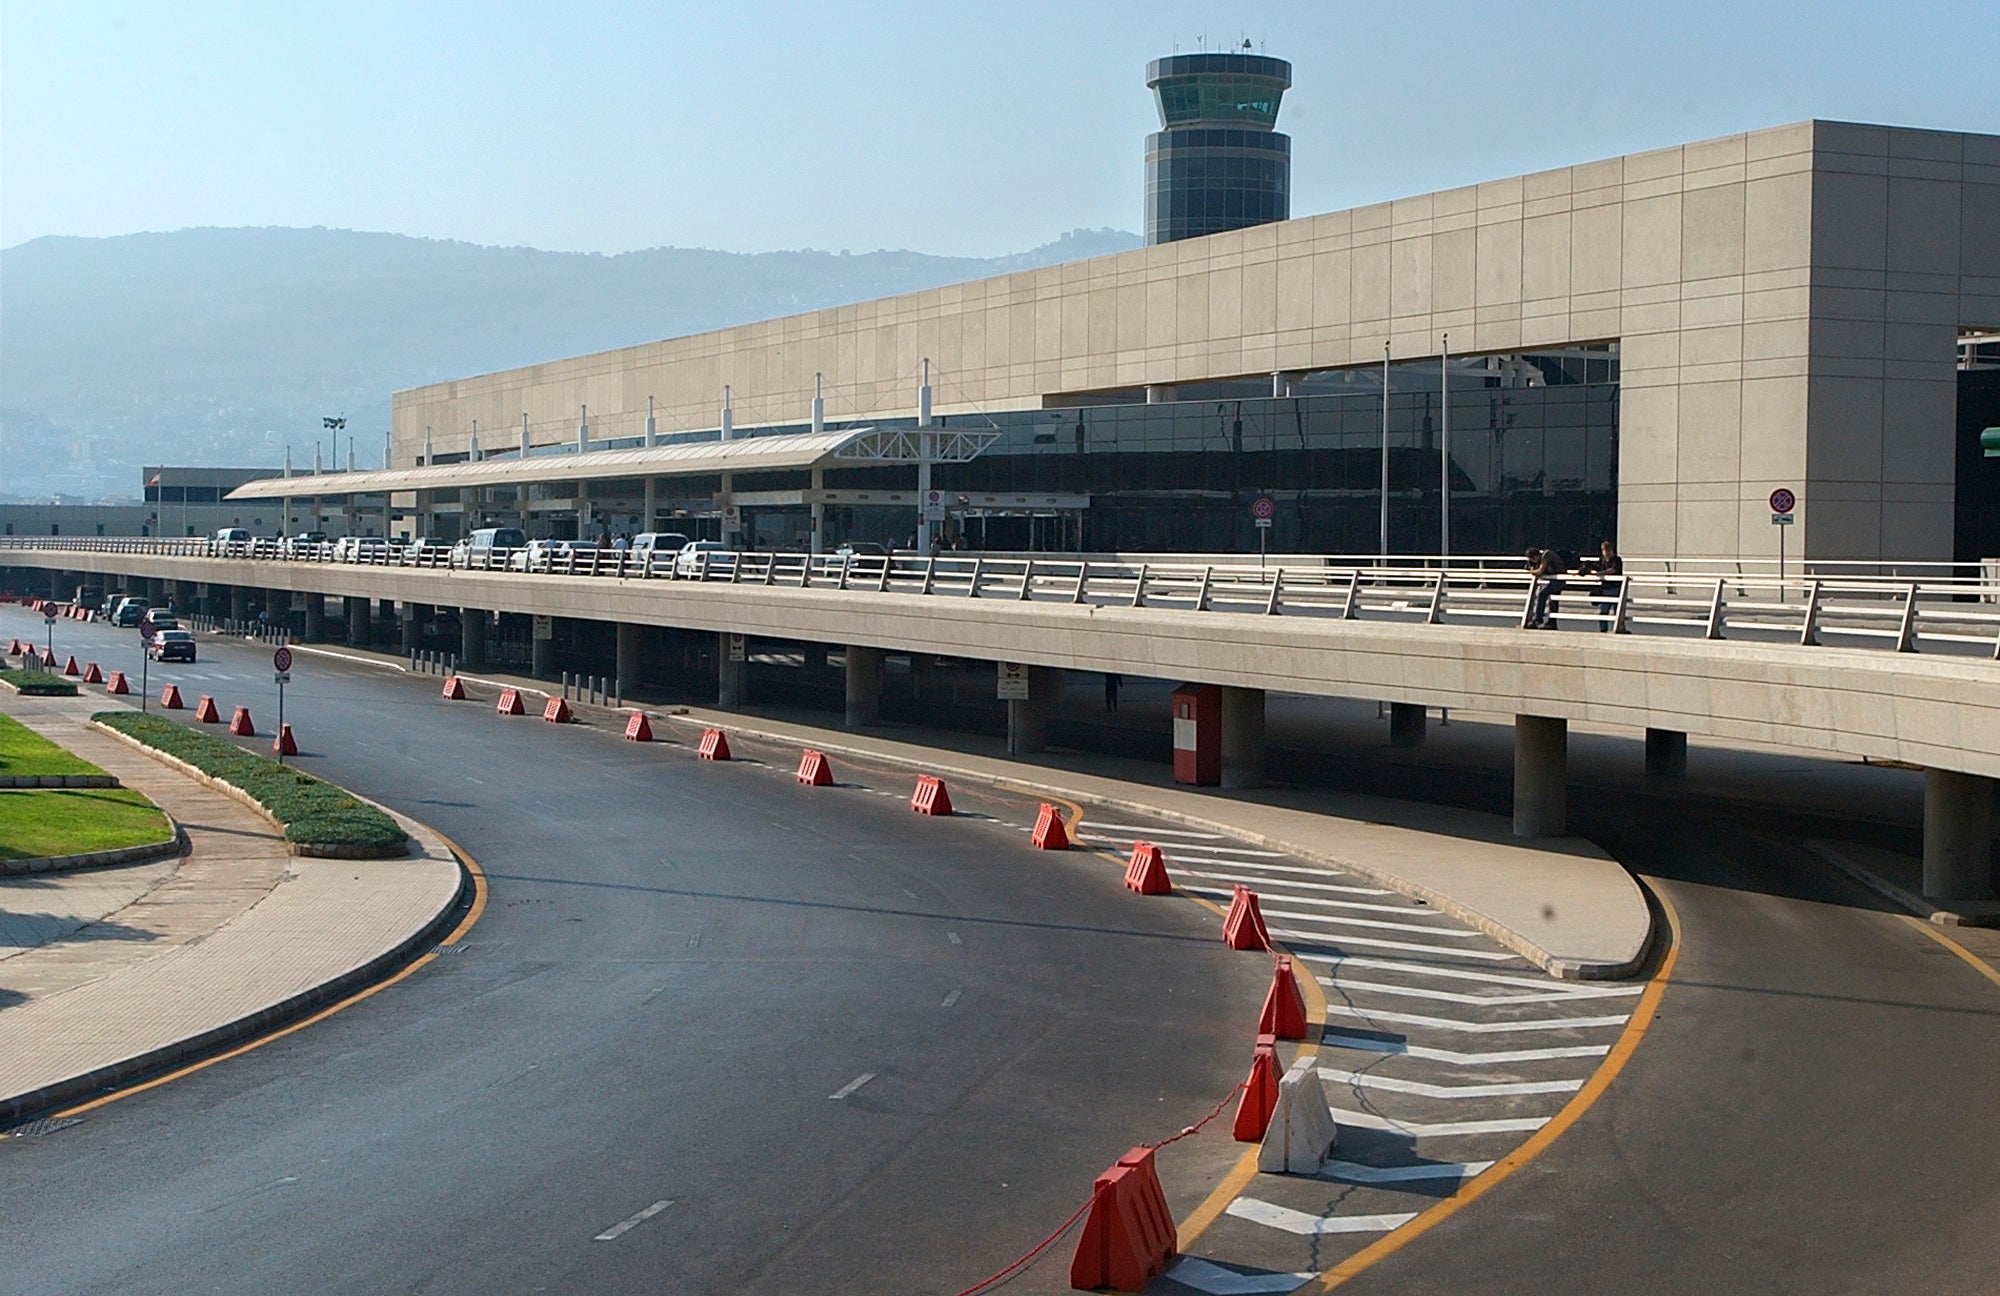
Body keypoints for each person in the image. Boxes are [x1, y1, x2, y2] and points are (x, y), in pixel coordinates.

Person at [1524, 547, 1564, 628]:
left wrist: (1531, 571)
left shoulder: (1546, 556)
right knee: (1553, 602)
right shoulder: (1543, 556)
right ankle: (1552, 623)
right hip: (1553, 580)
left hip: (1559, 580)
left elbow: (1540, 571)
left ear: (1535, 556)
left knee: (1542, 594)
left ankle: (1538, 619)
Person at [1588, 539, 1623, 631]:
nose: (1606, 552)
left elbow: (1613, 570)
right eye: (1604, 550)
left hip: (1615, 588)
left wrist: (1601, 573)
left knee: (1618, 611)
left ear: (1612, 550)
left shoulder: (1617, 560)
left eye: (1608, 550)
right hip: (1605, 589)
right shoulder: (1602, 560)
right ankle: (1603, 629)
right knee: (1603, 611)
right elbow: (1594, 566)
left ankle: (1619, 628)